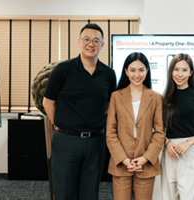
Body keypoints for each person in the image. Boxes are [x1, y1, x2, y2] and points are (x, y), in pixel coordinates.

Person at [43, 23, 116, 200]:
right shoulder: (63, 70)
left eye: (96, 40)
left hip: (95, 142)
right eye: (87, 39)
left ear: (102, 44)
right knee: (65, 192)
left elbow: (108, 105)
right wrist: (62, 125)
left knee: (90, 193)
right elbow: (48, 103)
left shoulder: (108, 74)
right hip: (66, 141)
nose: (91, 44)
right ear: (79, 41)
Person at [106, 52, 165, 200]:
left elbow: (159, 132)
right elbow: (110, 132)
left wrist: (145, 158)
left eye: (141, 70)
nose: (136, 74)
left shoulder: (156, 97)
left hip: (146, 164)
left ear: (147, 71)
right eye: (132, 70)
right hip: (121, 163)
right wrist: (124, 160)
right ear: (126, 71)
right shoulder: (116, 96)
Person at [161, 53, 194, 200]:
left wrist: (188, 142)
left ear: (191, 72)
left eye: (184, 70)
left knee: (190, 196)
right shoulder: (163, 98)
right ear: (171, 71)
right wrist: (167, 143)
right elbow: (157, 128)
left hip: (191, 151)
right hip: (170, 152)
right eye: (176, 69)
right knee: (169, 196)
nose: (180, 74)